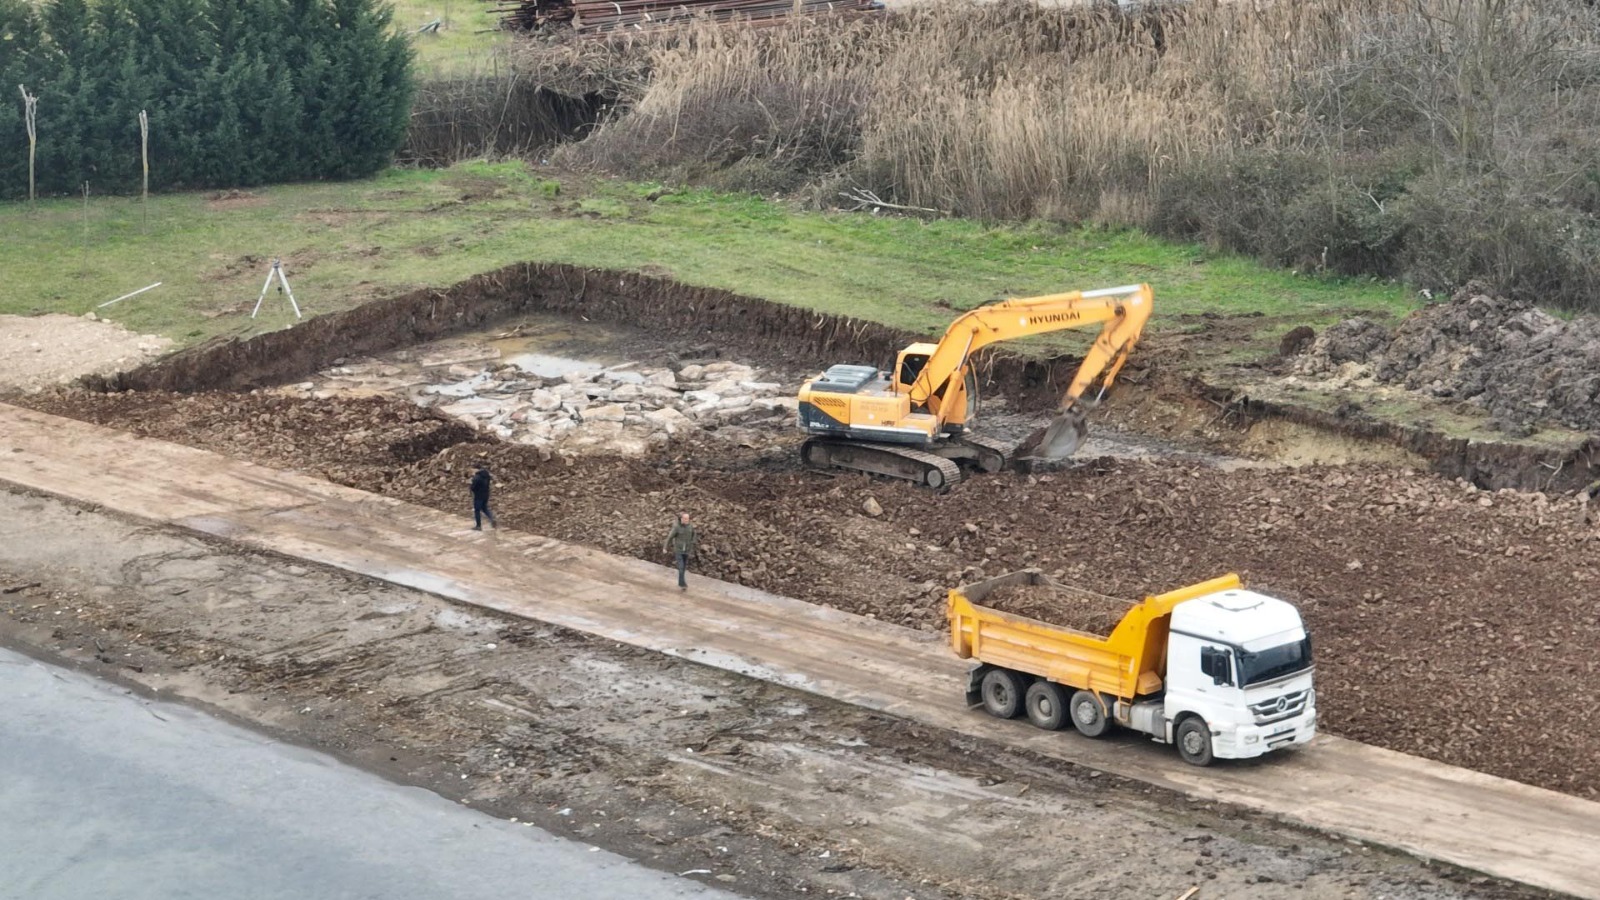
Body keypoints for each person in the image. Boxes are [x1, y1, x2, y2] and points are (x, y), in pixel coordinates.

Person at [663, 512, 698, 590]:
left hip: (687, 550)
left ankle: (681, 582)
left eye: (688, 519)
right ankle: (682, 584)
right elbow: (669, 537)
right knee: (681, 567)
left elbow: (694, 534)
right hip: (678, 550)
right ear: (681, 519)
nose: (687, 520)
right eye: (685, 519)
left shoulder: (690, 527)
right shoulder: (676, 527)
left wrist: (693, 542)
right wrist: (665, 547)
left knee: (684, 567)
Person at [470, 462, 497, 531]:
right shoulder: (486, 474)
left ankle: (478, 526)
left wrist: (471, 483)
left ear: (476, 469)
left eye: (472, 469)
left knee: (477, 510)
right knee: (484, 508)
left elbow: (473, 487)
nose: (472, 470)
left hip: (478, 495)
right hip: (486, 494)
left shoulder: (476, 477)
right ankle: (492, 518)